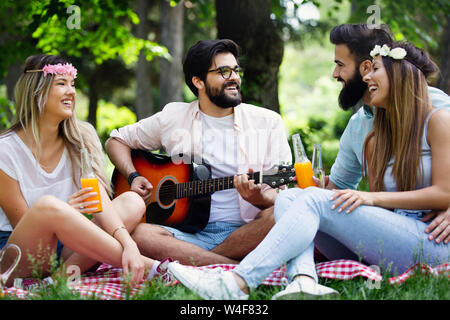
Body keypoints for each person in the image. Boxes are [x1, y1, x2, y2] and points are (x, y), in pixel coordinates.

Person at [167, 41, 450, 300]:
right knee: (293, 198)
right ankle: (303, 281)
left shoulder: (438, 120)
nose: (366, 77)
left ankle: (235, 282)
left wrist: (370, 198)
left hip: (431, 242)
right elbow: (372, 204)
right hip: (390, 241)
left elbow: (443, 193)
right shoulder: (378, 135)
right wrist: (348, 195)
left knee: (311, 198)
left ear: (400, 75)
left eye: (375, 69)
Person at [105, 39, 292, 266]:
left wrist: (259, 198)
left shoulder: (267, 122)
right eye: (223, 71)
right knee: (139, 235)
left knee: (283, 214)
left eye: (235, 70)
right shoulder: (173, 116)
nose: (234, 77)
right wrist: (134, 176)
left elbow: (282, 198)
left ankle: (203, 262)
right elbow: (116, 140)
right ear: (198, 81)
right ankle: (231, 266)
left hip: (246, 232)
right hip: (188, 234)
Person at [0, 54, 162, 288]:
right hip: (21, 255)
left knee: (132, 202)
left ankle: (55, 283)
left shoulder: (77, 142)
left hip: (66, 252)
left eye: (72, 84)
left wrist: (128, 244)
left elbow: (97, 199)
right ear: (36, 91)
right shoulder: (5, 149)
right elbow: (24, 223)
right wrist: (64, 212)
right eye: (61, 84)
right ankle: (160, 270)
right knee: (48, 206)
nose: (72, 92)